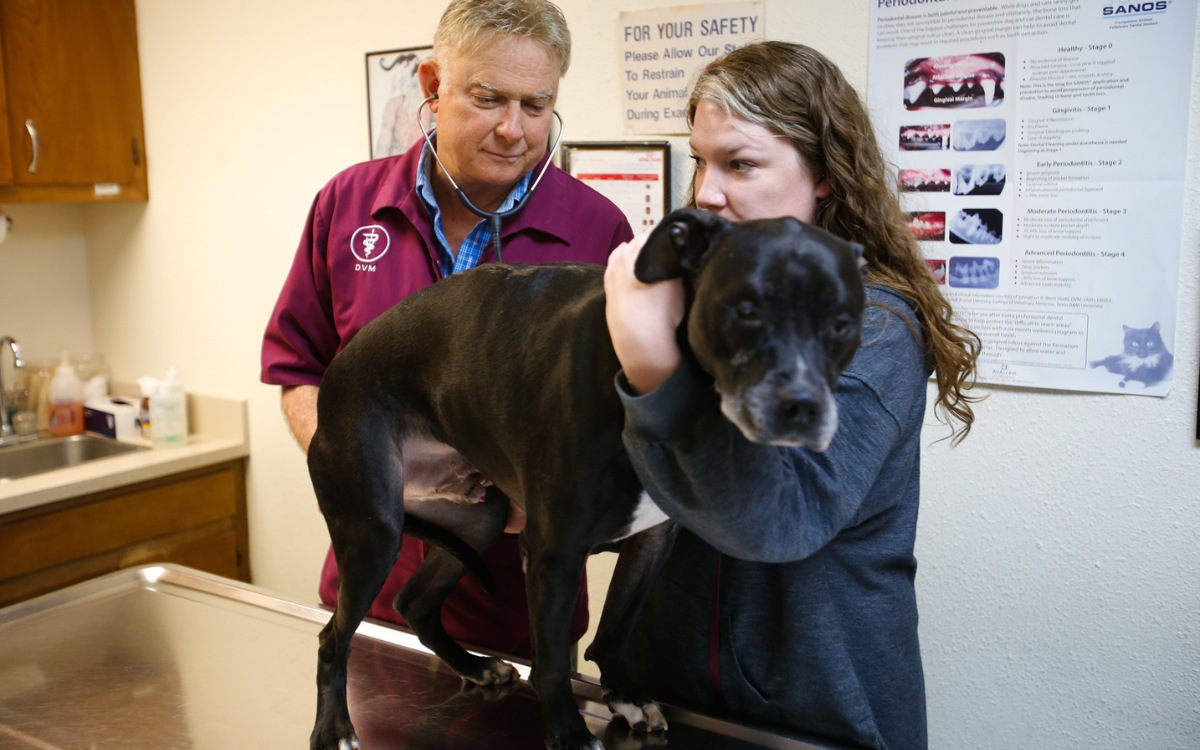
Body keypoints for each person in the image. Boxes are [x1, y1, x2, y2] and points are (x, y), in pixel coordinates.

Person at [603, 41, 980, 749]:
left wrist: (653, 365)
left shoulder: (874, 330)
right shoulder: (709, 302)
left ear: (826, 175)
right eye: (701, 161)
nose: (707, 192)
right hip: (672, 693)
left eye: (740, 164)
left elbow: (780, 524)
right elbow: (653, 477)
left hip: (818, 717)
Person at [261, 0, 633, 659]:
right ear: (433, 86)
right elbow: (298, 368)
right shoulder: (348, 206)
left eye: (536, 106)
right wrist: (369, 476)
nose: (514, 130)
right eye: (489, 99)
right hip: (372, 595)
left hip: (517, 616)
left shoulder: (598, 234)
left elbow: (619, 415)